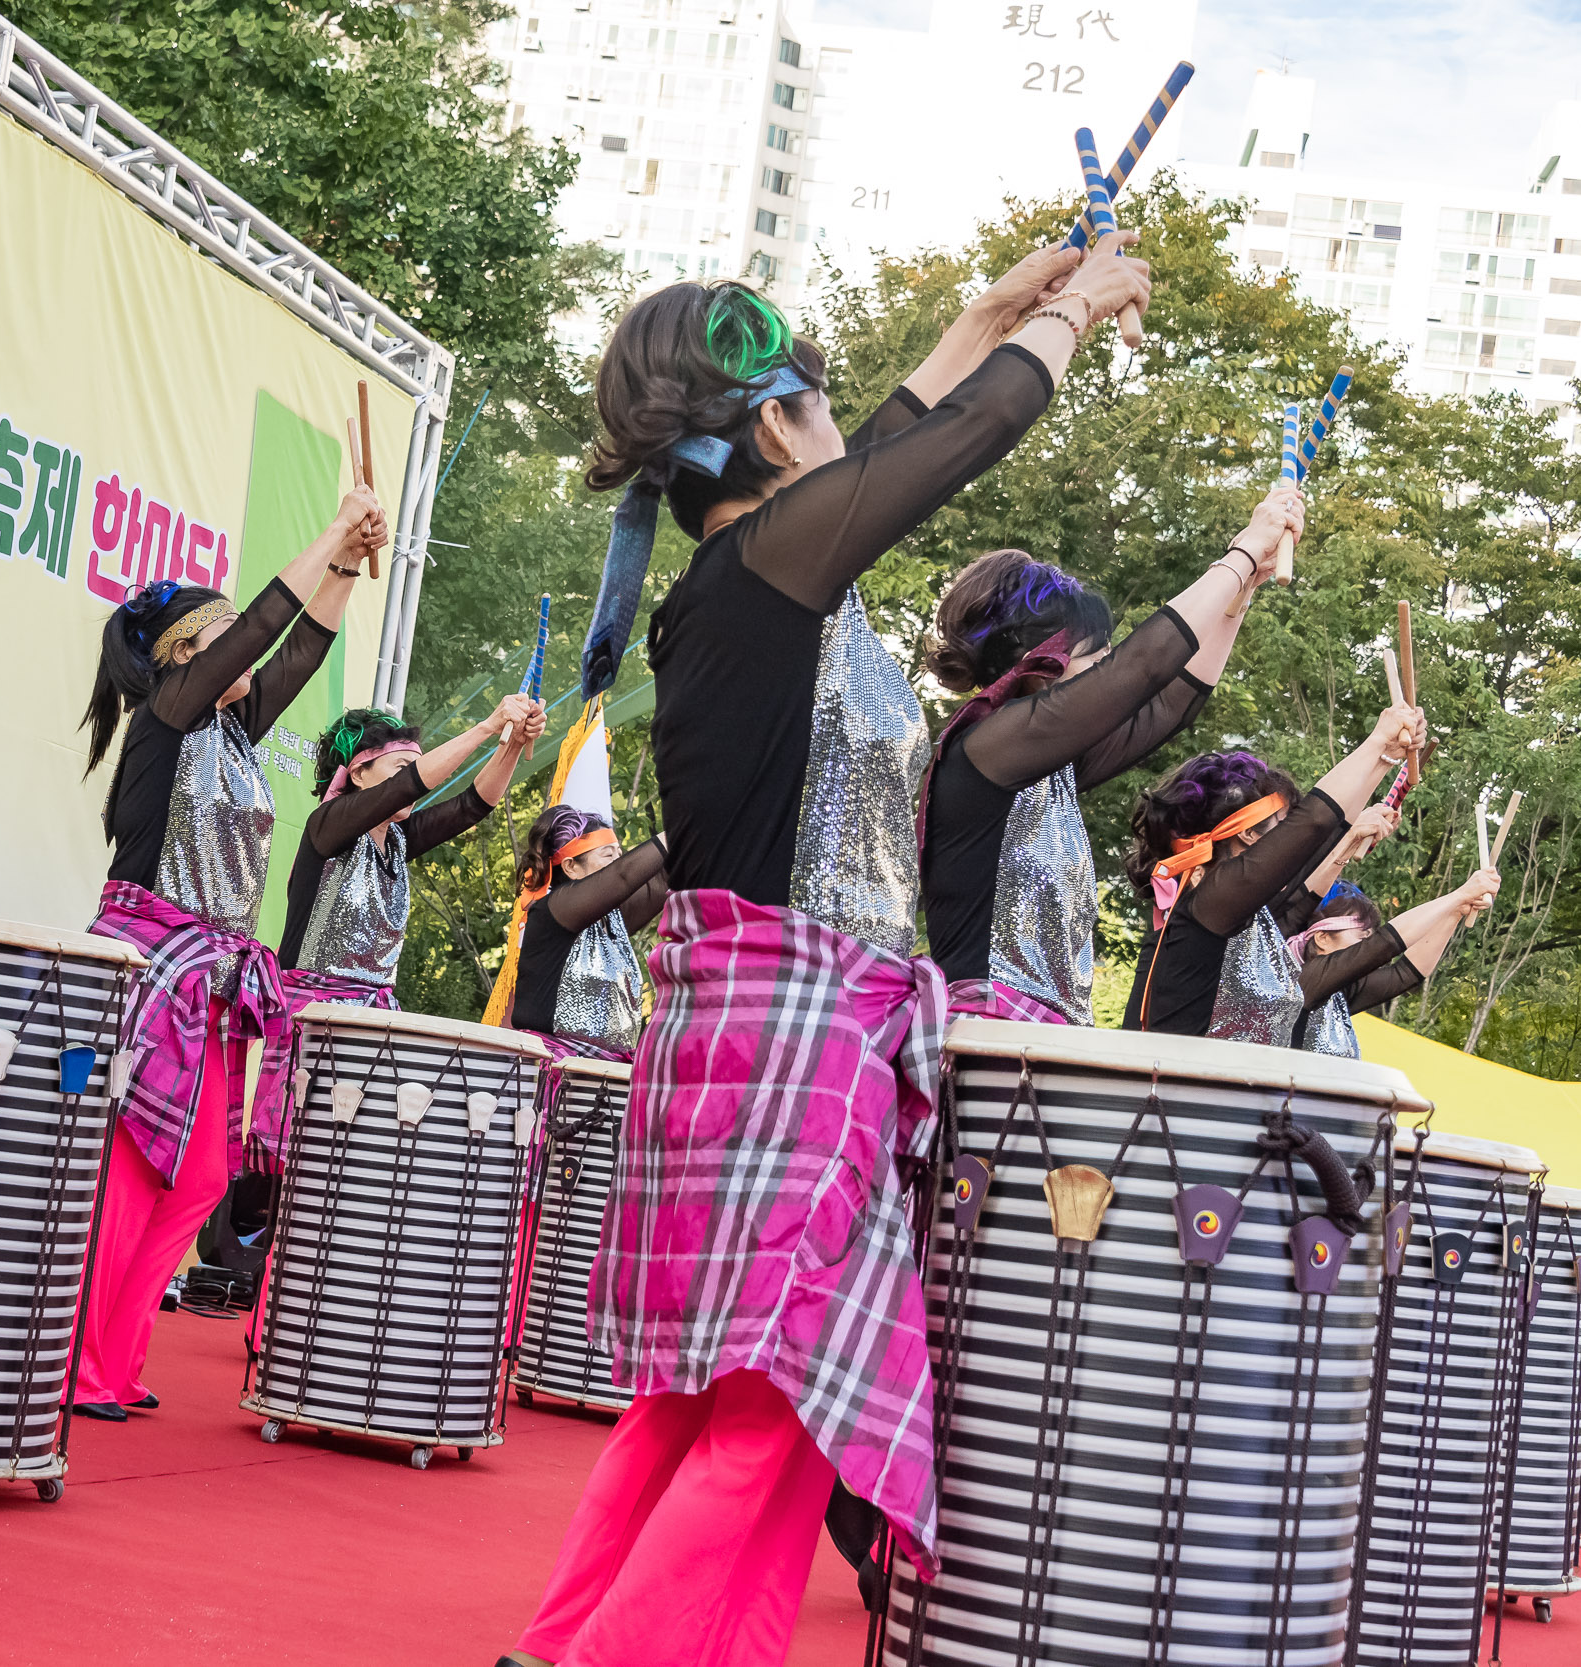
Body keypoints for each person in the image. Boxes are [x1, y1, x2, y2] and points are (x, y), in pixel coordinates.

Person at [508, 231, 1152, 1667]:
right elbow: (971, 429)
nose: (848, 430)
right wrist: (1075, 322)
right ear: (780, 427)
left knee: (710, 1392)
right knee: (776, 1394)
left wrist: (1006, 303)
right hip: (791, 1033)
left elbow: (913, 424)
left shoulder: (768, 573)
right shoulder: (771, 572)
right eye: (820, 406)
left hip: (764, 1029)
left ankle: (568, 1639)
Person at [74, 489, 386, 1422]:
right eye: (211, 635)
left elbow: (296, 649)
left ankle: (118, 1358)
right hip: (153, 961)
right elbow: (258, 633)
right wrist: (329, 528)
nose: (232, 649)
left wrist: (345, 566)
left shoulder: (231, 738)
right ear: (180, 657)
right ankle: (81, 1364)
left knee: (202, 1175)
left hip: (208, 974)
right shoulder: (166, 721)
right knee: (133, 1166)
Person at [919, 484, 1303, 1023]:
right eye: (1093, 654)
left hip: (1045, 1027)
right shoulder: (983, 750)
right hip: (986, 1024)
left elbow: (1170, 705)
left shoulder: (1050, 769)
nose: (1105, 669)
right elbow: (1142, 668)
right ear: (1038, 660)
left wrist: (1244, 589)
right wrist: (1240, 552)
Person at [248, 693, 545, 1150]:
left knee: (357, 1156)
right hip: (315, 1016)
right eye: (399, 765)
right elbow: (409, 787)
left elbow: (474, 804)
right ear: (359, 773)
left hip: (372, 1021)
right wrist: (487, 726)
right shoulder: (328, 825)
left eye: (415, 763)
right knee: (293, 1156)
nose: (412, 775)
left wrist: (509, 743)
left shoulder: (399, 840)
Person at [1121, 706, 1428, 1043]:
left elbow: (1321, 838)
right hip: (1167, 1089)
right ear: (1249, 834)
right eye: (1283, 826)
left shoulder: (1243, 912)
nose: (1289, 842)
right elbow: (1313, 823)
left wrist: (1384, 758)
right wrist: (1376, 742)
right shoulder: (1209, 904)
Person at [508, 812, 668, 1060]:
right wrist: (684, 819)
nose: (620, 860)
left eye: (619, 853)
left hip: (605, 1069)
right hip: (553, 1066)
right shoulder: (554, 908)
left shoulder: (612, 919)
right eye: (608, 855)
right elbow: (623, 876)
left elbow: (664, 878)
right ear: (571, 867)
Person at [1292, 875, 1497, 1056]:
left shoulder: (1338, 993)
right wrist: (1459, 895)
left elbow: (1406, 972)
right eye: (1362, 936)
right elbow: (1384, 944)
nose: (1366, 946)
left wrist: (1456, 911)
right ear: (1323, 937)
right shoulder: (1301, 981)